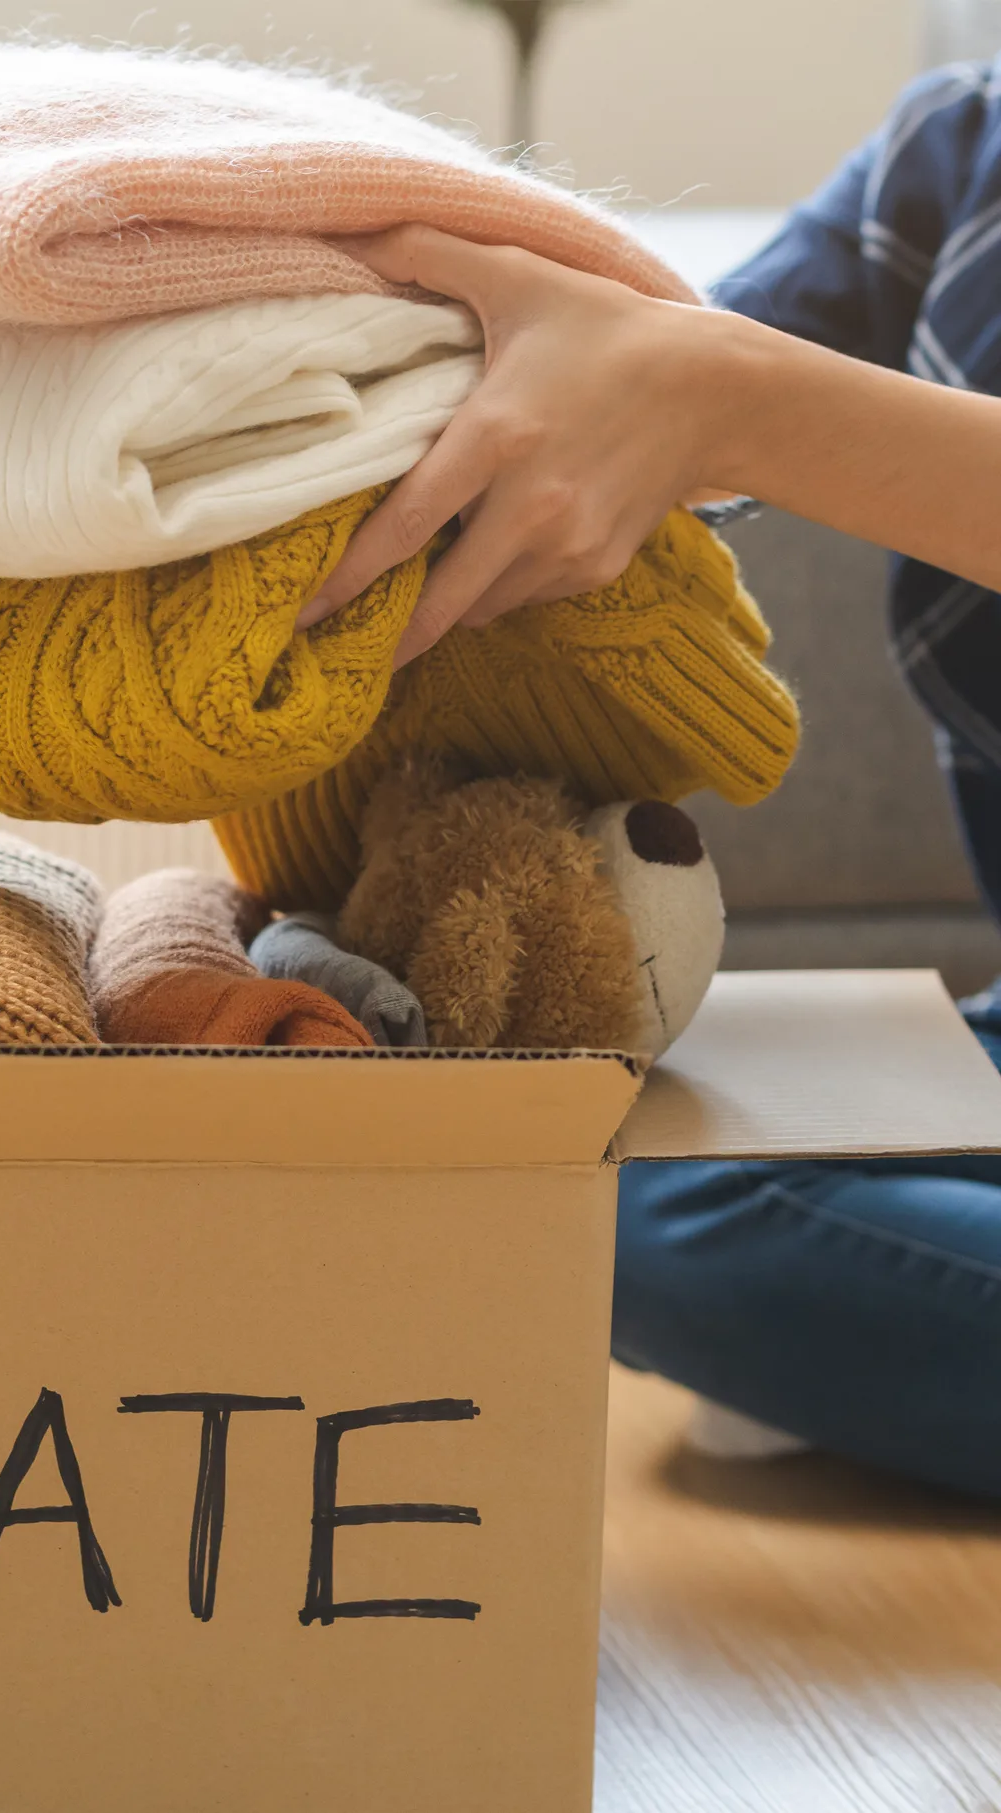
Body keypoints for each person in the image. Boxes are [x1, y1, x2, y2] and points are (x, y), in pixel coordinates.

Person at [307, 59, 1001, 1498]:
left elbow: (702, 379)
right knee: (624, 1193)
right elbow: (630, 366)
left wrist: (725, 397)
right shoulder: (964, 148)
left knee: (679, 1237)